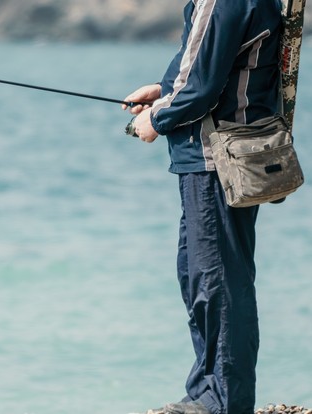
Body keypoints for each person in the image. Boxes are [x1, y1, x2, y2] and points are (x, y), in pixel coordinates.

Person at [122, 1, 283, 413]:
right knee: (199, 276)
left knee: (218, 282)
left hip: (217, 159)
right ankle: (206, 391)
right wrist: (162, 91)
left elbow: (202, 87)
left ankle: (221, 401)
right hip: (214, 156)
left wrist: (156, 121)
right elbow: (203, 64)